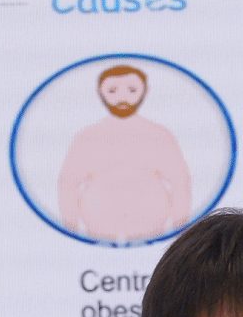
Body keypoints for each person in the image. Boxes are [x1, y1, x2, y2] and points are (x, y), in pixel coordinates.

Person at [56, 64, 194, 243]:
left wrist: (180, 232)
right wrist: (71, 229)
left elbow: (180, 182)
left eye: (132, 90)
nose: (123, 98)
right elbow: (68, 184)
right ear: (100, 92)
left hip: (151, 231)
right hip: (99, 230)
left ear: (145, 91)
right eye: (113, 90)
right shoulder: (88, 137)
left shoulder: (159, 135)